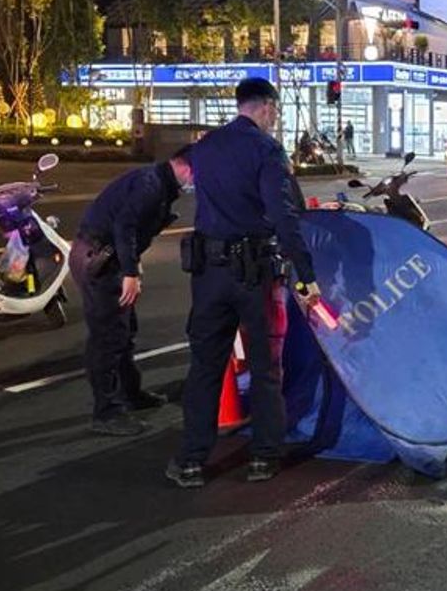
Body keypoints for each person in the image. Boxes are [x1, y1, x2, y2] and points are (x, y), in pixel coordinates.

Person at [168, 77, 321, 488]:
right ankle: (264, 458)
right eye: (276, 112)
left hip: (209, 275)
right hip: (255, 274)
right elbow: (284, 216)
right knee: (266, 367)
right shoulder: (266, 150)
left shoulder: (206, 147)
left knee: (205, 366)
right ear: (267, 107)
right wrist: (306, 277)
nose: (274, 119)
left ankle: (192, 461)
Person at [71, 145, 194, 436]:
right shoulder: (150, 185)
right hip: (99, 259)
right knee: (109, 336)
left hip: (105, 256)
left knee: (125, 330)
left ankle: (131, 394)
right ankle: (107, 412)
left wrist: (132, 264)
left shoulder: (157, 184)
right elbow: (124, 225)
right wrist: (129, 270)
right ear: (186, 167)